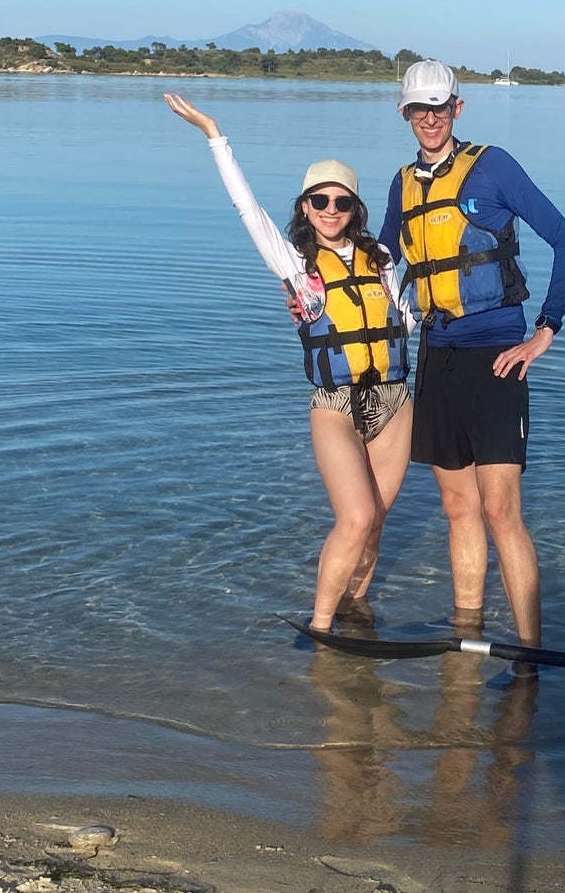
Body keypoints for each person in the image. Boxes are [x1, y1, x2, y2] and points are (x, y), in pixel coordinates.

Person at [164, 93, 413, 633]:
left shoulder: (384, 260)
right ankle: (322, 631)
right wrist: (214, 134)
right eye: (318, 201)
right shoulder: (296, 263)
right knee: (357, 516)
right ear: (304, 206)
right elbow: (248, 209)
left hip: (395, 402)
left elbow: (407, 319)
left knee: (376, 526)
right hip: (336, 405)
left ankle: (354, 613)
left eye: (341, 203)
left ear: (356, 209)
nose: (330, 211)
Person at [379, 60, 565, 652]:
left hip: (498, 356)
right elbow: (379, 265)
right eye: (419, 109)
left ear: (457, 109)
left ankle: (530, 655)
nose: (430, 118)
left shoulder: (493, 166)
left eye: (439, 107)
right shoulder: (402, 183)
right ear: (405, 115)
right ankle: (466, 633)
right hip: (436, 356)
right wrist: (313, 299)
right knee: (456, 505)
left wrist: (545, 331)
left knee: (500, 510)